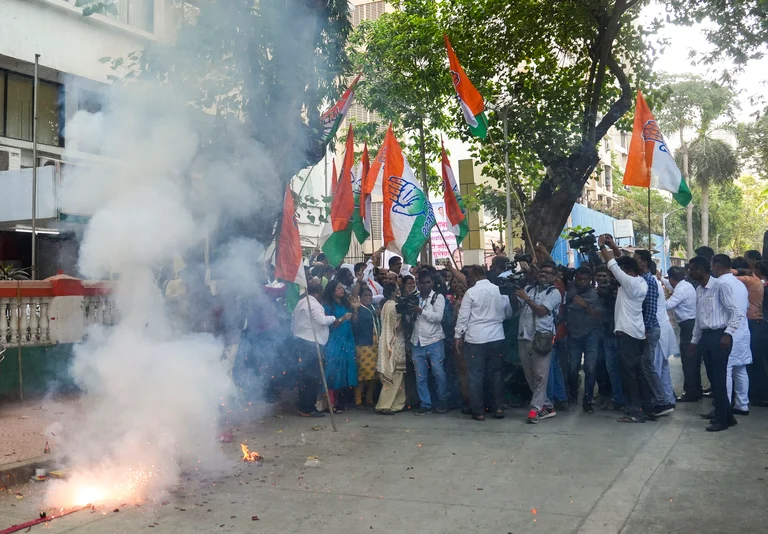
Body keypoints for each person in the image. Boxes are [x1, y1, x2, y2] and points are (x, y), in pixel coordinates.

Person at [599, 235, 653, 423]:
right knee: (637, 372)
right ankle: (646, 407)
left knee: (629, 374)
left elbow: (613, 265)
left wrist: (601, 246)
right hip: (636, 332)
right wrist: (613, 246)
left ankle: (635, 411)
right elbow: (620, 262)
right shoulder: (639, 281)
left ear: (627, 271)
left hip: (628, 333)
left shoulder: (629, 282)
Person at [688, 256, 741, 431]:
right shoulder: (699, 290)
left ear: (702, 270)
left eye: (693, 269)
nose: (690, 272)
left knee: (719, 380)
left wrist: (728, 333)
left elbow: (735, 312)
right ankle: (727, 415)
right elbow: (699, 318)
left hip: (720, 335)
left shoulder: (720, 286)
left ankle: (721, 420)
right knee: (713, 378)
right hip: (706, 336)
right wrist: (694, 341)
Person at [454, 265, 514, 421]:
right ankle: (498, 407)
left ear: (474, 276)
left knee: (475, 375)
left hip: (476, 339)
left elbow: (463, 317)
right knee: (496, 374)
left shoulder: (471, 293)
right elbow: (508, 314)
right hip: (496, 337)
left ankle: (478, 411)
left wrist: (457, 336)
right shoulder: (499, 290)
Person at [516, 262, 562, 424]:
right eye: (542, 271)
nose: (544, 274)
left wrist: (526, 299)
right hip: (524, 336)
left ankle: (535, 410)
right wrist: (512, 293)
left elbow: (542, 311)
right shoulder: (528, 289)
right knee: (530, 376)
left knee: (541, 376)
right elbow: (516, 307)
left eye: (548, 273)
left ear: (554, 277)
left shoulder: (554, 293)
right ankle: (548, 406)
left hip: (542, 338)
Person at [710, 255, 751, 417]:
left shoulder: (720, 284)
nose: (711, 270)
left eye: (712, 266)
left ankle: (724, 408)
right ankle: (742, 405)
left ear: (718, 266)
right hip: (742, 331)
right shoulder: (740, 284)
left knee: (724, 371)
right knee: (740, 369)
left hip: (728, 332)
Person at [291, 280, 338, 417]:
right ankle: (308, 408)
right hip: (311, 344)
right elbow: (322, 320)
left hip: (302, 341)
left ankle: (304, 406)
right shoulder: (314, 304)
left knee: (305, 376)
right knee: (312, 377)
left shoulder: (301, 302)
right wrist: (333, 318)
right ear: (318, 292)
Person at [565, 266, 603, 413]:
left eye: (585, 279)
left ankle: (587, 400)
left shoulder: (595, 294)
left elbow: (598, 315)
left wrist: (585, 306)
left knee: (590, 367)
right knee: (573, 368)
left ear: (590, 280)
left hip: (591, 334)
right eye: (579, 278)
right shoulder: (570, 289)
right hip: (573, 334)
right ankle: (573, 395)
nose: (582, 281)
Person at [410, 269, 448, 415]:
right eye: (423, 282)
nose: (426, 285)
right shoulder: (414, 298)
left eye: (428, 282)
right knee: (420, 376)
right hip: (417, 341)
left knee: (439, 373)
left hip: (434, 340)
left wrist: (420, 310)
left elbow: (438, 317)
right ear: (418, 284)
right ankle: (425, 404)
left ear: (432, 283)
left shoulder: (438, 297)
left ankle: (443, 400)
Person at [634, 249, 667, 413]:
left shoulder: (649, 281)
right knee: (644, 365)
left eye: (637, 260)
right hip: (645, 328)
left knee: (647, 365)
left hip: (649, 329)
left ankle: (662, 400)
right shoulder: (640, 279)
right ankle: (655, 399)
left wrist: (645, 328)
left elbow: (651, 307)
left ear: (644, 262)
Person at [732, 256, 768, 406]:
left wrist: (736, 271)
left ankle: (760, 395)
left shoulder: (751, 282)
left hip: (754, 323)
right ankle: (756, 394)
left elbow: (728, 275)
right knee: (753, 361)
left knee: (753, 362)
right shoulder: (757, 283)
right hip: (758, 323)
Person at [664, 266, 698, 401]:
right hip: (691, 324)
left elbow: (668, 305)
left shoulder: (680, 290)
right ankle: (696, 389)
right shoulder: (685, 285)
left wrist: (657, 299)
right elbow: (672, 288)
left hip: (688, 326)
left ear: (672, 279)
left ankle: (690, 392)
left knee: (688, 360)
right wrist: (661, 278)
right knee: (692, 359)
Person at [322, 280, 357, 413]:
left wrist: (355, 309)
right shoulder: (327, 306)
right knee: (332, 372)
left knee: (343, 372)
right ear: (332, 291)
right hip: (335, 340)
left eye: (342, 288)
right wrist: (342, 319)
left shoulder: (344, 304)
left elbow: (354, 321)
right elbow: (329, 325)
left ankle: (337, 402)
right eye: (338, 289)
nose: (341, 290)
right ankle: (329, 403)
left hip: (347, 340)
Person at [595, 265, 625, 410]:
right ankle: (605, 395)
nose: (601, 279)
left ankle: (618, 398)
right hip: (600, 334)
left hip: (614, 334)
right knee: (601, 367)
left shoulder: (615, 291)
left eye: (604, 276)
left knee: (613, 368)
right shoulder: (596, 292)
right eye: (598, 276)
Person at [376, 283, 407, 414]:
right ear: (394, 292)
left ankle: (397, 403)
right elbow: (397, 327)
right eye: (397, 290)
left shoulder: (385, 305)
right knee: (395, 374)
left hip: (385, 339)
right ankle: (385, 405)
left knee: (397, 374)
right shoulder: (394, 306)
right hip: (394, 341)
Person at [653, 267, 678, 416]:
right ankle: (668, 399)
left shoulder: (649, 283)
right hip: (663, 328)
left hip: (658, 330)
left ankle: (660, 401)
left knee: (655, 369)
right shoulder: (656, 282)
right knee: (662, 367)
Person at [352, 286, 381, 408]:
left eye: (370, 295)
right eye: (365, 296)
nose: (368, 298)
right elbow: (354, 323)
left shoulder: (374, 307)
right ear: (360, 298)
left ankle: (369, 399)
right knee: (362, 375)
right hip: (363, 345)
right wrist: (355, 311)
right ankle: (358, 400)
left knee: (374, 375)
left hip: (376, 344)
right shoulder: (359, 309)